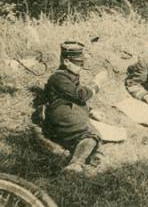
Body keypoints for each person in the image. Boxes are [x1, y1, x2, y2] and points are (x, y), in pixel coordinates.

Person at [39, 42, 104, 172]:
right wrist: (97, 84)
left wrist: (90, 111)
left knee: (91, 137)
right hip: (60, 113)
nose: (82, 66)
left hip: (68, 110)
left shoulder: (69, 75)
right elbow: (80, 95)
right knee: (90, 134)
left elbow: (72, 97)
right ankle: (76, 164)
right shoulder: (58, 77)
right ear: (67, 61)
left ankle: (89, 156)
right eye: (79, 63)